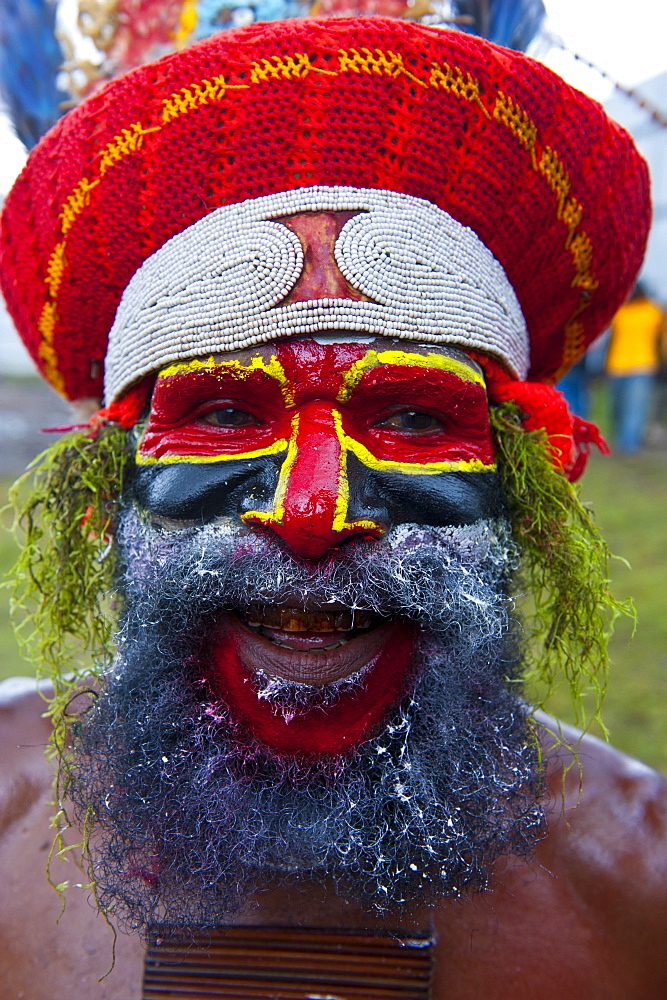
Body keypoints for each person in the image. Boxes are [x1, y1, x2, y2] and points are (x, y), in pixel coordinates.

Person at [1, 17, 667, 999]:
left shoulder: (639, 884)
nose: (312, 509)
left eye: (409, 416)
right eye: (223, 414)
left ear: (519, 494)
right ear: (112, 490)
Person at [606, 283, 667, 454]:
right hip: (616, 365)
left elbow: (661, 339)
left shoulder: (654, 312)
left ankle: (628, 445)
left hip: (643, 365)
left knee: (635, 407)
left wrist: (663, 364)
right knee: (617, 406)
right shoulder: (621, 312)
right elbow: (610, 340)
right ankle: (620, 440)